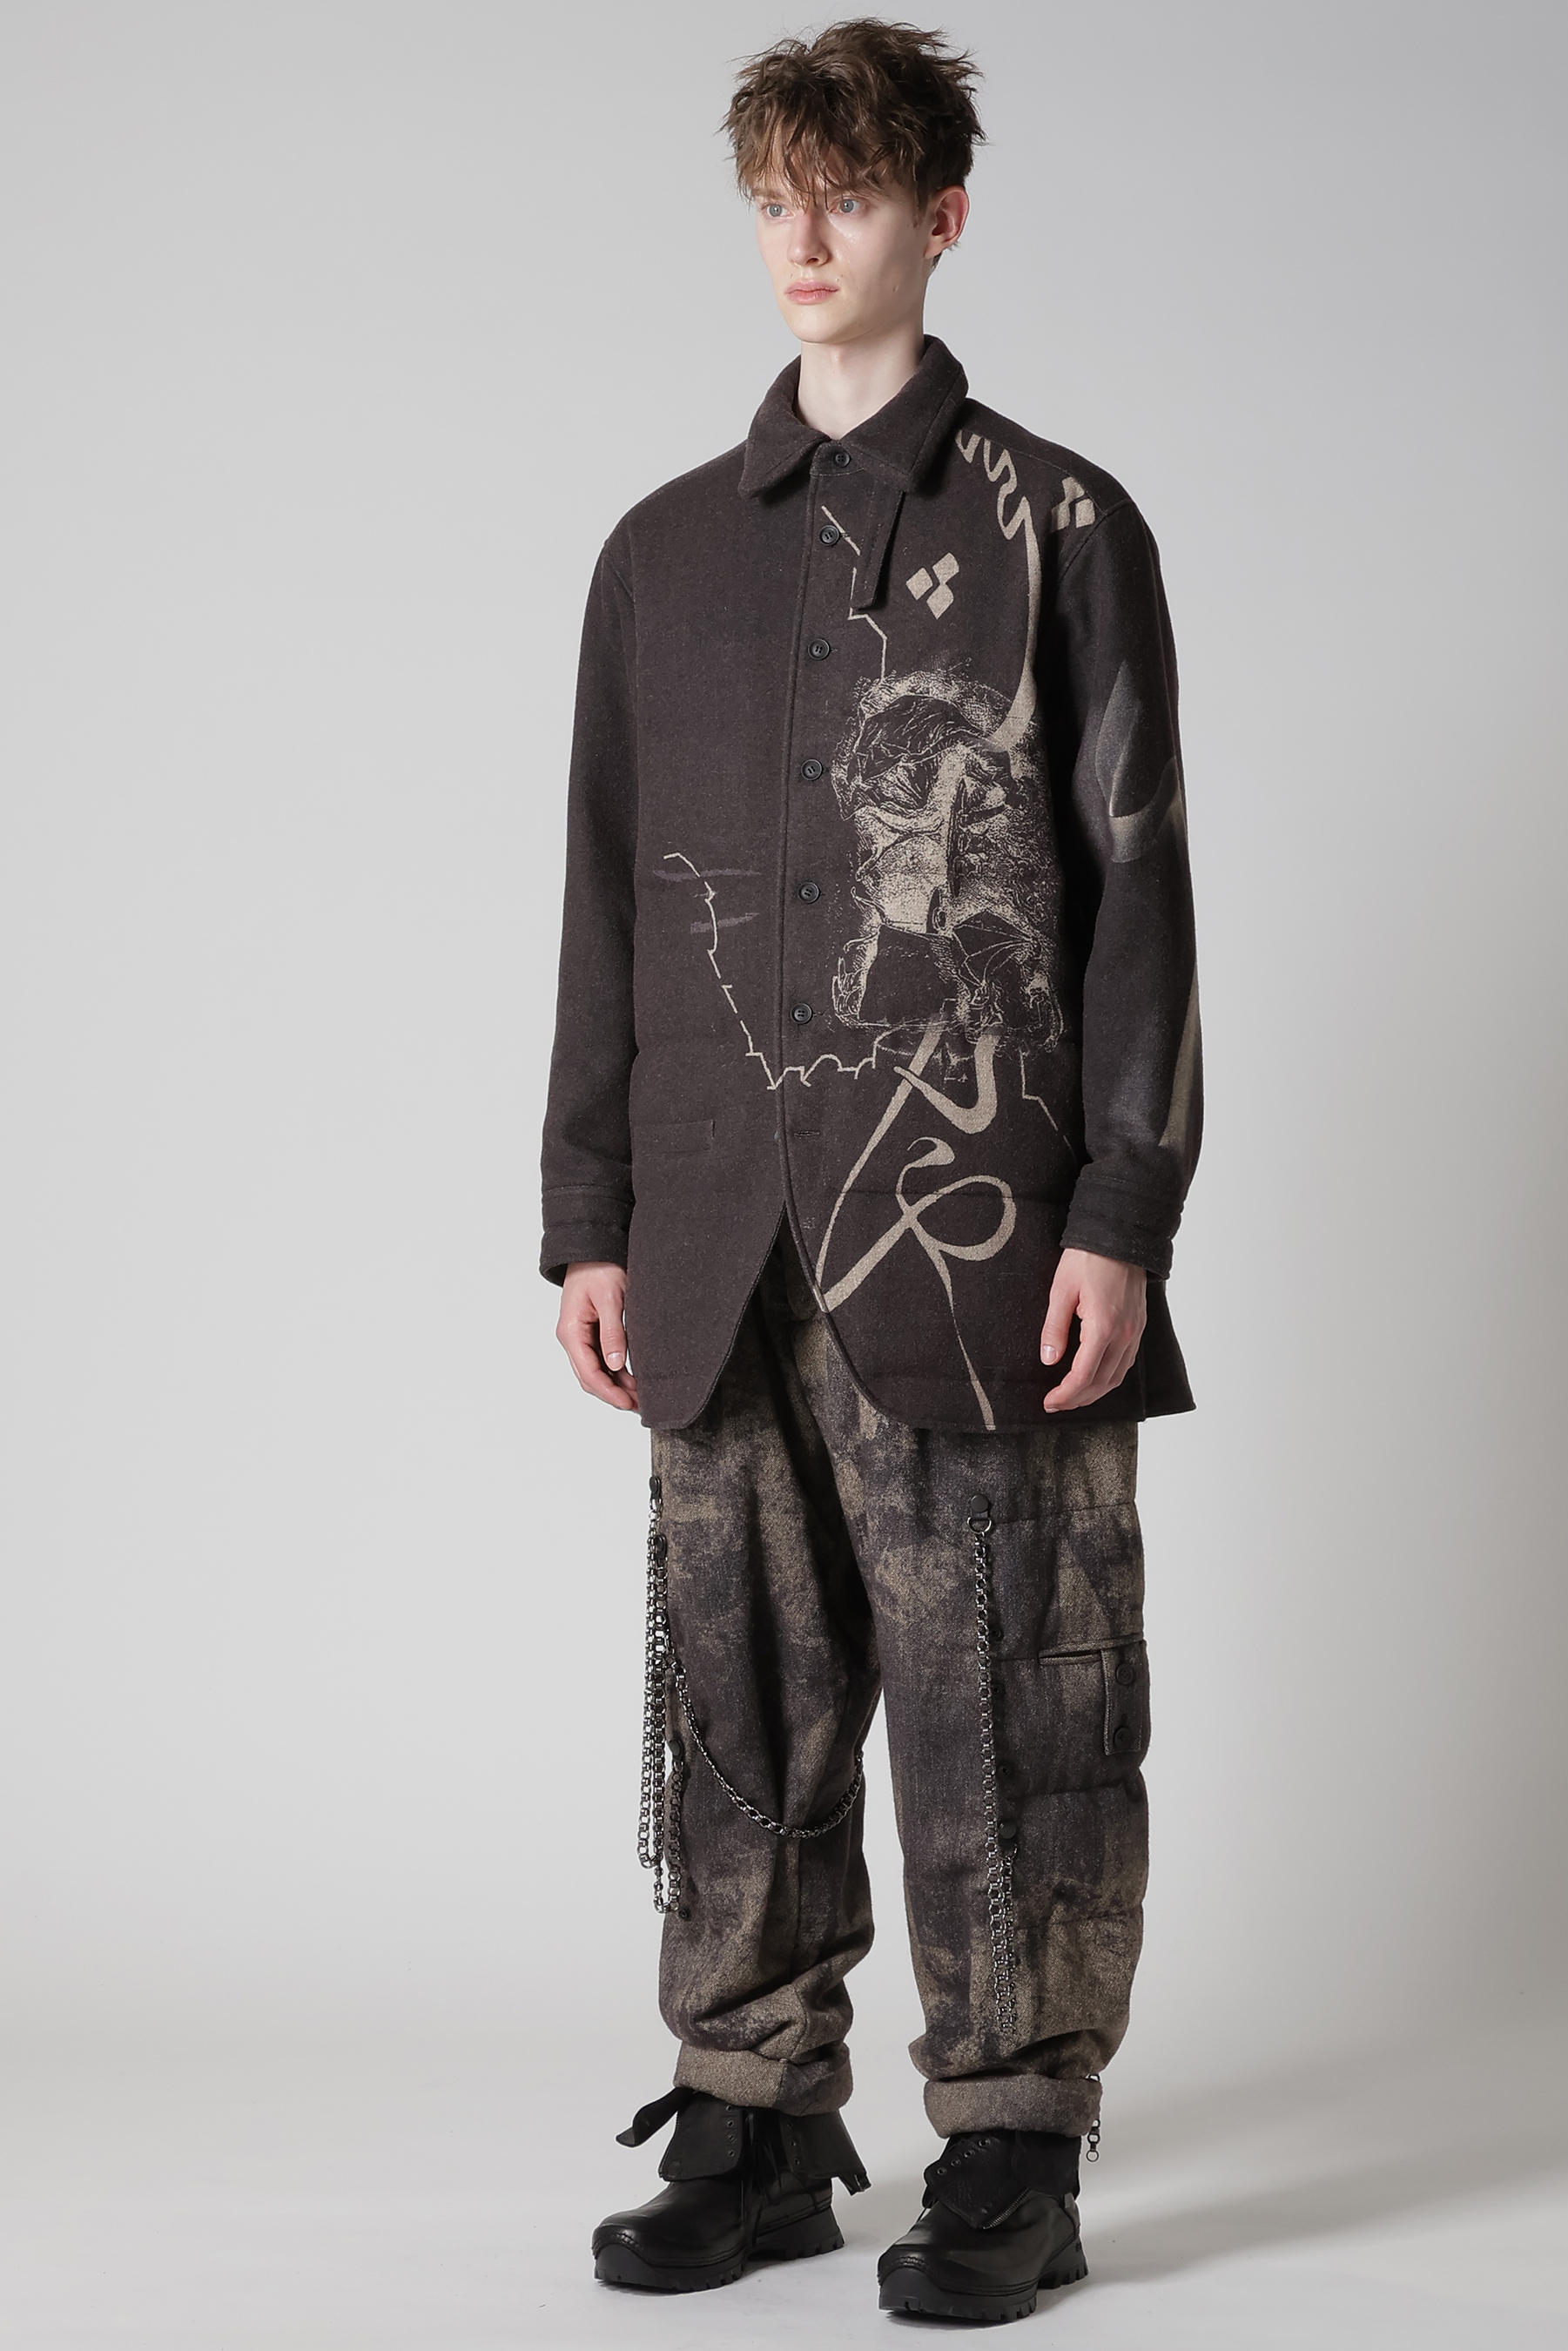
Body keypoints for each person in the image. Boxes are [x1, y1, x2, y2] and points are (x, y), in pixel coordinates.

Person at [541, 18, 1201, 2325]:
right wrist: (589, 1212)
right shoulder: (659, 558)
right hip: (718, 1221)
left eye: (847, 192)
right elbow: (607, 900)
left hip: (972, 1214)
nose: (803, 237)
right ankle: (750, 2109)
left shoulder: (1060, 530)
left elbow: (1136, 889)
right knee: (735, 1679)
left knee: (1011, 1680)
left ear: (941, 211)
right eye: (773, 197)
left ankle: (1010, 2138)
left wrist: (1121, 1208)